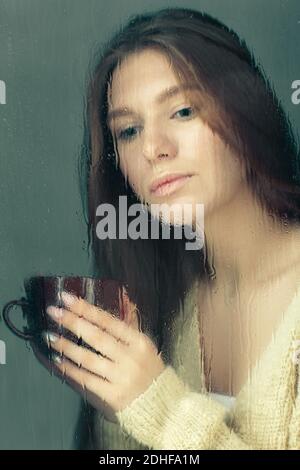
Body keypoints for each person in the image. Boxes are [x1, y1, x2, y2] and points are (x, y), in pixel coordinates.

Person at [35, 7, 300, 449]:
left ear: (246, 109)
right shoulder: (167, 307)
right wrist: (114, 404)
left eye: (181, 111)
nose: (153, 149)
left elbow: (164, 418)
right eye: (129, 130)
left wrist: (154, 404)